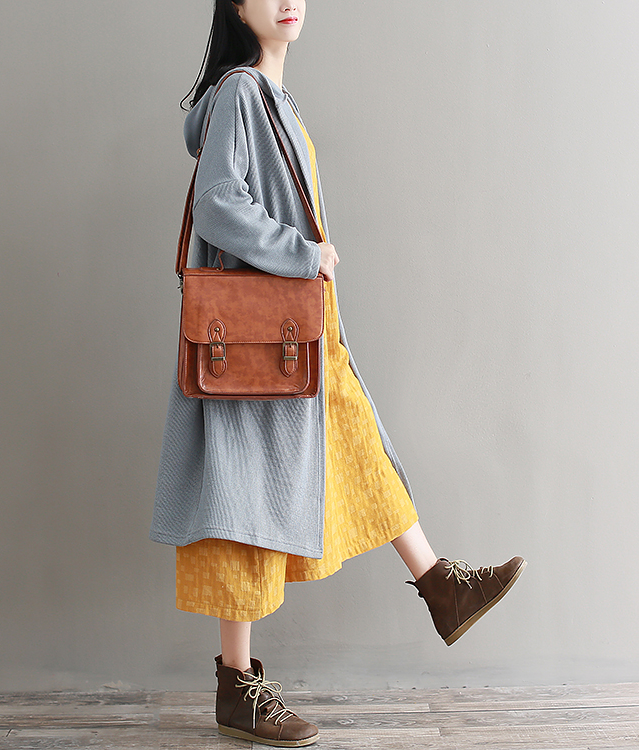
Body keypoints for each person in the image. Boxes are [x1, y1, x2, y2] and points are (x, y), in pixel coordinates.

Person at [151, 1, 526, 746]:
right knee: (243, 500)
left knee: (356, 436)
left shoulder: (273, 98)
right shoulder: (241, 92)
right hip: (257, 338)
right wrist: (306, 254)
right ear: (237, 6)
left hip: (299, 333)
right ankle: (237, 684)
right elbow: (219, 205)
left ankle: (438, 584)